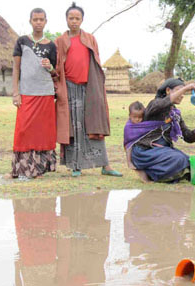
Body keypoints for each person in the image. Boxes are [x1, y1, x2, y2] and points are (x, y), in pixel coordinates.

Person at [54, 2, 122, 177]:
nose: (74, 21)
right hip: (69, 88)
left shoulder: (90, 38)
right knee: (74, 128)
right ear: (66, 20)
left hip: (89, 88)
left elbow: (96, 63)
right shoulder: (60, 41)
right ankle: (76, 165)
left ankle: (105, 166)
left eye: (77, 18)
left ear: (82, 20)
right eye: (71, 18)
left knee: (94, 125)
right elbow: (56, 66)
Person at [124, 78, 195, 183]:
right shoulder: (155, 105)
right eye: (179, 90)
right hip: (145, 152)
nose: (182, 95)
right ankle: (151, 172)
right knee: (179, 159)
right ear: (168, 90)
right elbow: (164, 103)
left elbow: (188, 136)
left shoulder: (175, 113)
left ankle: (159, 172)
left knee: (189, 161)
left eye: (183, 92)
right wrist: (186, 88)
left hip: (163, 152)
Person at [9, 8, 57, 180]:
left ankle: (39, 168)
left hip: (45, 93)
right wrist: (16, 93)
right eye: (35, 19)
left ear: (46, 21)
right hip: (26, 93)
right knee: (23, 130)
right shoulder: (22, 41)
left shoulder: (51, 45)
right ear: (30, 21)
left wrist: (49, 67)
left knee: (42, 131)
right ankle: (19, 169)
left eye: (41, 19)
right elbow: (16, 68)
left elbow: (55, 72)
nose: (38, 22)